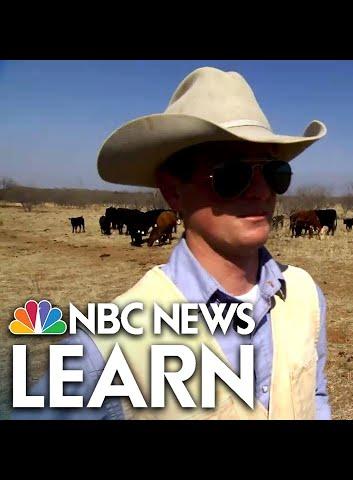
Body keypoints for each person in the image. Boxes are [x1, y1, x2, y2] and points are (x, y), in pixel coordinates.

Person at [13, 66, 330, 420]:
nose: (260, 191)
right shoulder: (104, 350)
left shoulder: (305, 296)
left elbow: (315, 396)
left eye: (274, 173)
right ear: (173, 191)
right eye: (232, 175)